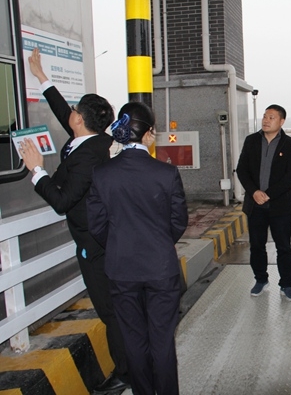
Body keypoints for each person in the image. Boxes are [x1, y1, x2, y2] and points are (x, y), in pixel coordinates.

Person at [18, 48, 129, 394]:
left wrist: (37, 170)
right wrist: (41, 75)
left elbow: (63, 202)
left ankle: (126, 373)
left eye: (75, 112)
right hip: (106, 239)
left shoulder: (87, 157)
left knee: (110, 311)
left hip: (96, 246)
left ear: (81, 120)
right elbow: (62, 110)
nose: (71, 115)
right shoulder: (94, 139)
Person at [87, 102, 188, 395]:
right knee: (162, 341)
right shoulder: (166, 173)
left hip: (121, 269)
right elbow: (178, 221)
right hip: (160, 268)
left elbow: (97, 225)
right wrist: (158, 243)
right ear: (149, 133)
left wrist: (119, 245)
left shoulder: (102, 174)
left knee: (133, 340)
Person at [236, 105, 291, 300]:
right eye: (265, 116)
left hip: (279, 206)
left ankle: (286, 285)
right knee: (257, 246)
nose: (266, 120)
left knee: (284, 247)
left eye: (271, 117)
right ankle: (261, 280)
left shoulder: (289, 144)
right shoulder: (251, 141)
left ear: (281, 121)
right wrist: (254, 192)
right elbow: (242, 170)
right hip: (255, 205)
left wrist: (268, 194)